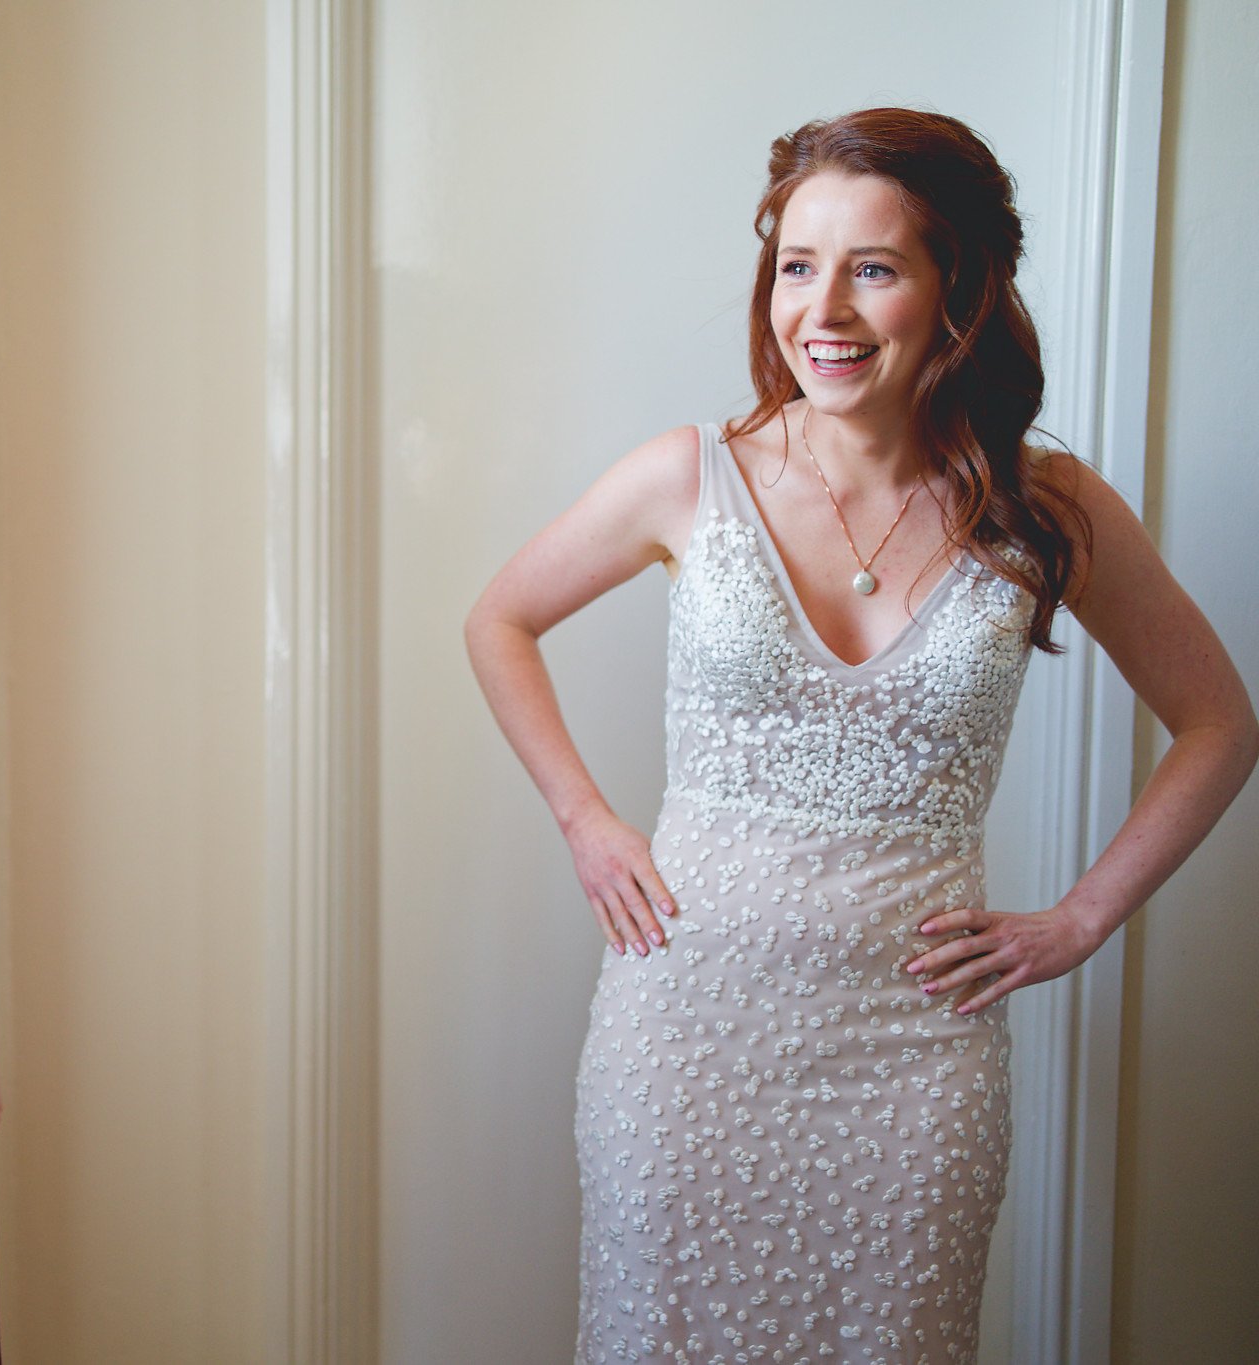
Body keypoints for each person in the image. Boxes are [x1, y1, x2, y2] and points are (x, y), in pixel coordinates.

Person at [465, 107, 1257, 1362]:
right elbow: (498, 618)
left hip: (912, 1068)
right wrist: (584, 817)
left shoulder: (1044, 507)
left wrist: (1081, 917)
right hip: (681, 1047)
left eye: (871, 267)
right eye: (794, 264)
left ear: (957, 288)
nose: (818, 309)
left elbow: (1218, 723)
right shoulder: (688, 475)